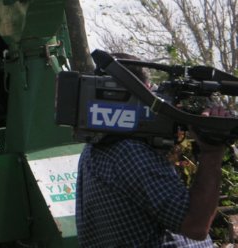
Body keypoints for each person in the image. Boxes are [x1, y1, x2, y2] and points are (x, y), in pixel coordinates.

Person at [76, 55, 229, 246]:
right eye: (154, 95)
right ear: (143, 93)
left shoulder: (96, 147)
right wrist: (212, 152)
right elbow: (196, 226)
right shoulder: (129, 152)